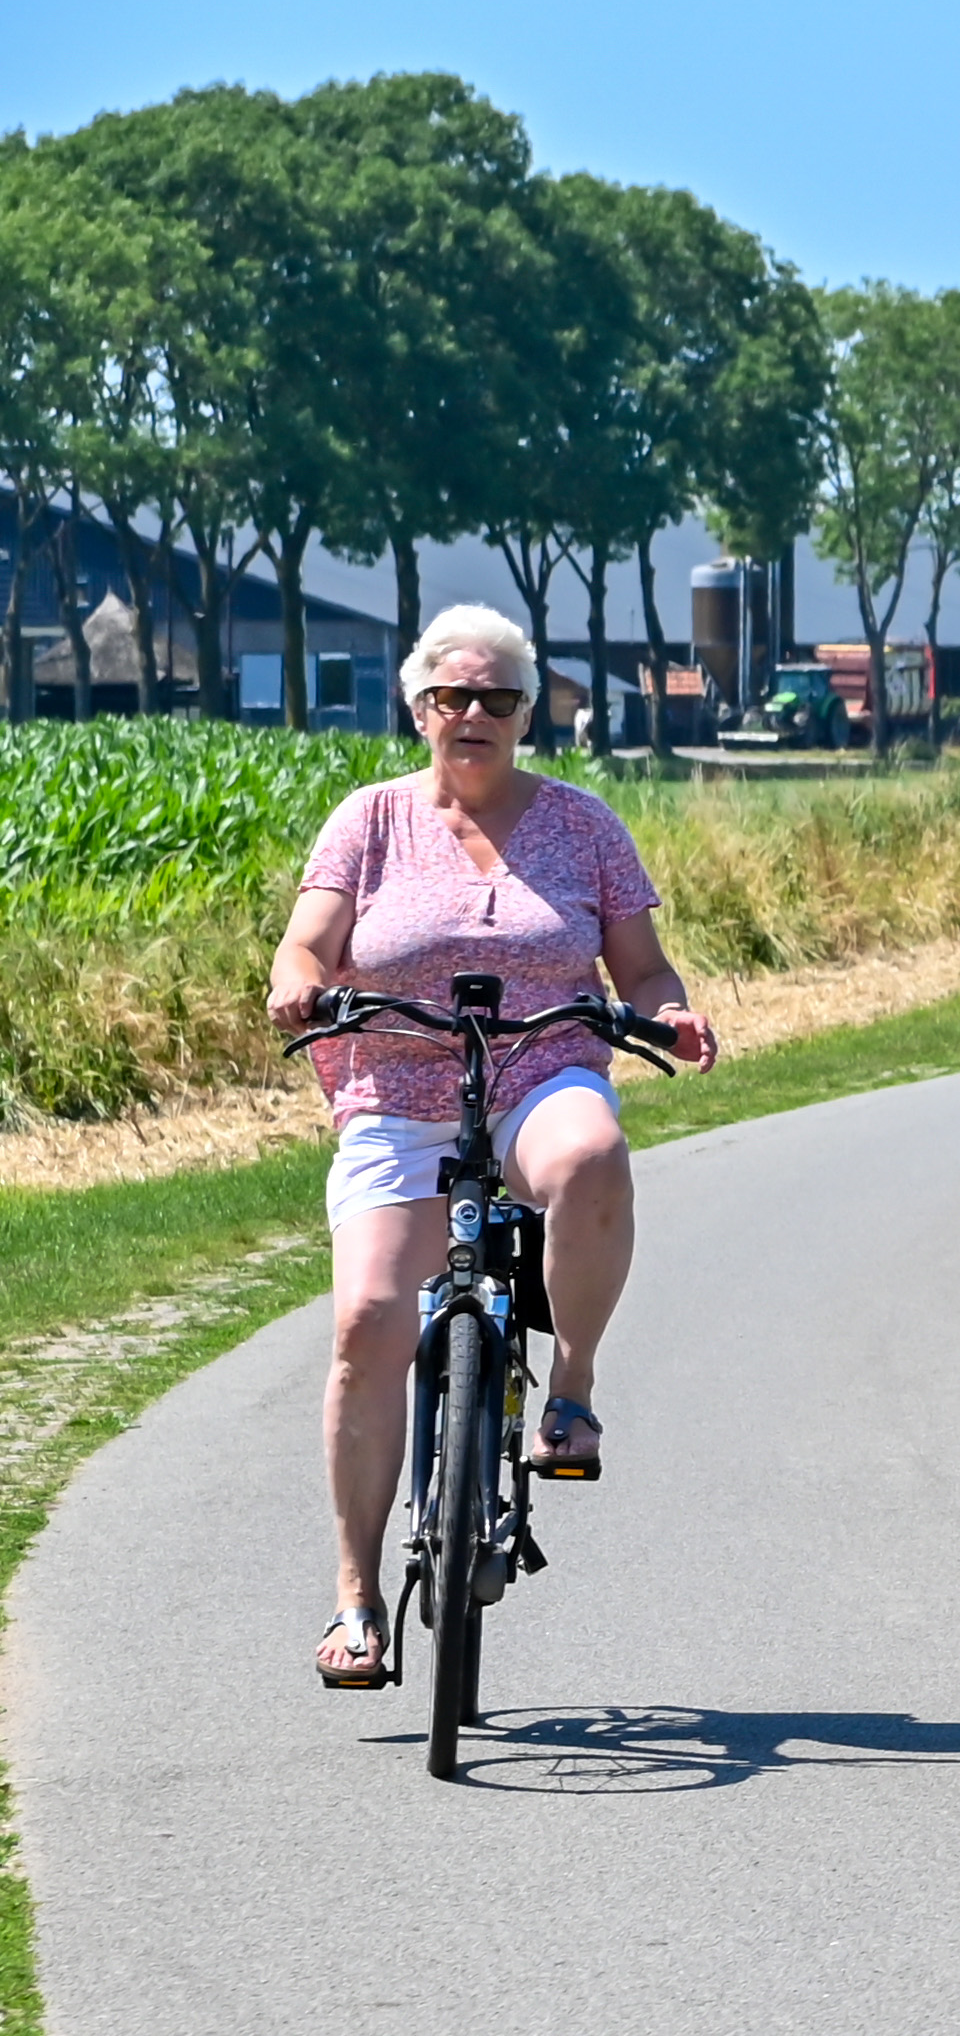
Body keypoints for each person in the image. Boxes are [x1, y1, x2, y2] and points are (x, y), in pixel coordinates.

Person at [265, 604, 716, 1687]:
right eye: (452, 697)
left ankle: (571, 1389)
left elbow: (641, 969)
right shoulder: (367, 821)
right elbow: (308, 941)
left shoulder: (584, 824)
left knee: (594, 1156)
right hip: (395, 1080)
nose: (473, 714)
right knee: (370, 1319)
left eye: (498, 698)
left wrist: (671, 1010)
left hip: (537, 1065)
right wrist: (296, 983)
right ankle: (358, 1597)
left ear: (526, 713)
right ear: (420, 709)